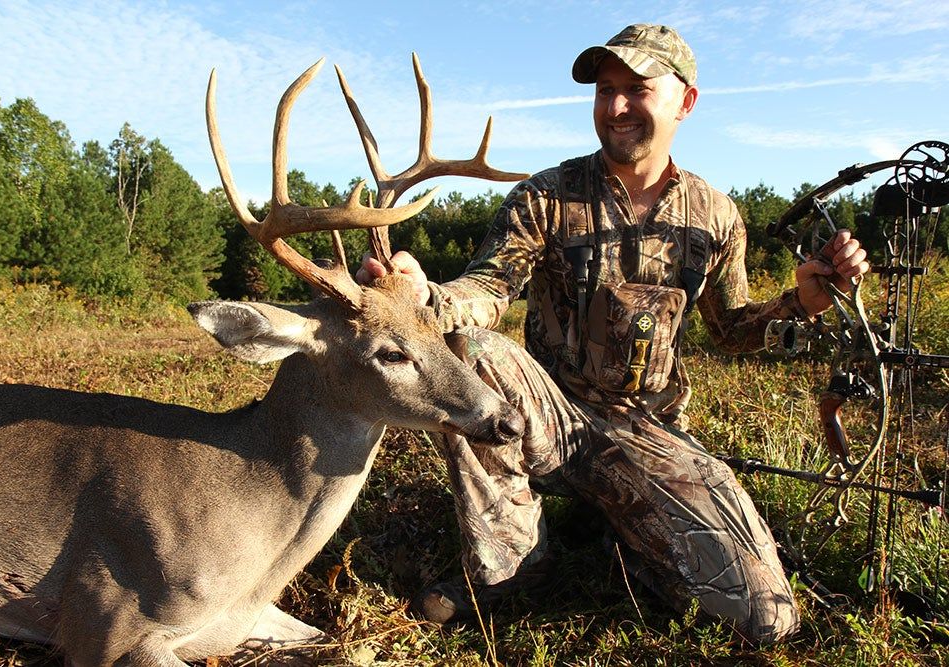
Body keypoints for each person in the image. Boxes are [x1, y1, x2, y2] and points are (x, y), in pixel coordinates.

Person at [357, 23, 868, 643]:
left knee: (765, 617)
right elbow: (487, 290)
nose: (616, 107)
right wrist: (426, 297)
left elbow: (732, 330)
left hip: (645, 435)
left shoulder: (715, 214)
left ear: (686, 101)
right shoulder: (546, 196)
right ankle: (512, 568)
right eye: (604, 90)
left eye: (637, 89)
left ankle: (625, 535)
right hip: (545, 415)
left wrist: (799, 303)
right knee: (473, 352)